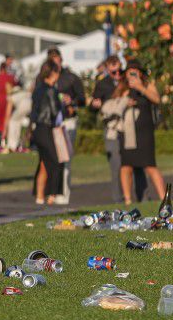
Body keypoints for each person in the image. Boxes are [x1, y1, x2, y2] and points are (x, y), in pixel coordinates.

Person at [88, 54, 145, 202]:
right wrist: (95, 105)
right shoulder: (102, 84)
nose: (118, 74)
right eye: (114, 72)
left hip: (130, 126)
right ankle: (118, 199)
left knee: (136, 163)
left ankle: (141, 197)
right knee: (116, 164)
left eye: (120, 70)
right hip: (113, 128)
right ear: (107, 70)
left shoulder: (128, 81)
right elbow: (94, 105)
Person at [116, 65, 166, 205]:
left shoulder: (146, 85)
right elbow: (114, 102)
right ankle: (127, 200)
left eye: (135, 71)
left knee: (150, 165)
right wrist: (125, 100)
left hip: (145, 132)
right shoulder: (123, 87)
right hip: (127, 132)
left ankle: (164, 199)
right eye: (129, 72)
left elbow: (156, 99)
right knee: (126, 166)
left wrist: (140, 88)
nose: (131, 74)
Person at [50, 47, 85, 204]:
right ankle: (50, 194)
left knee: (65, 160)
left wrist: (72, 101)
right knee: (51, 160)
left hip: (67, 121)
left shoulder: (71, 78)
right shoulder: (43, 78)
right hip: (50, 123)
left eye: (56, 59)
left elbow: (83, 99)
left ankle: (63, 197)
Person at [29, 59, 63, 205]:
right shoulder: (51, 90)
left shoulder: (37, 89)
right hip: (47, 128)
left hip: (37, 129)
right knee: (55, 162)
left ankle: (39, 196)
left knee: (43, 163)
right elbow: (55, 111)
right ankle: (52, 195)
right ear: (53, 73)